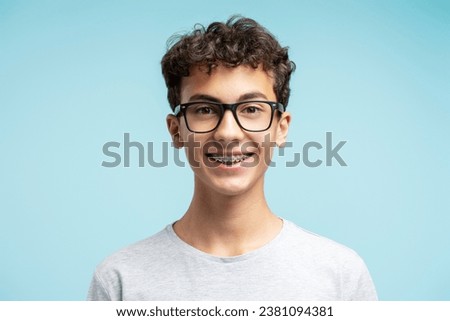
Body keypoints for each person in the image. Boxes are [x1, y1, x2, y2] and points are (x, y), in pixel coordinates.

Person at [87, 16, 377, 300]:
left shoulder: (341, 276)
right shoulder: (120, 281)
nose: (228, 133)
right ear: (176, 131)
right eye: (204, 109)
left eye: (251, 109)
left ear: (281, 127)